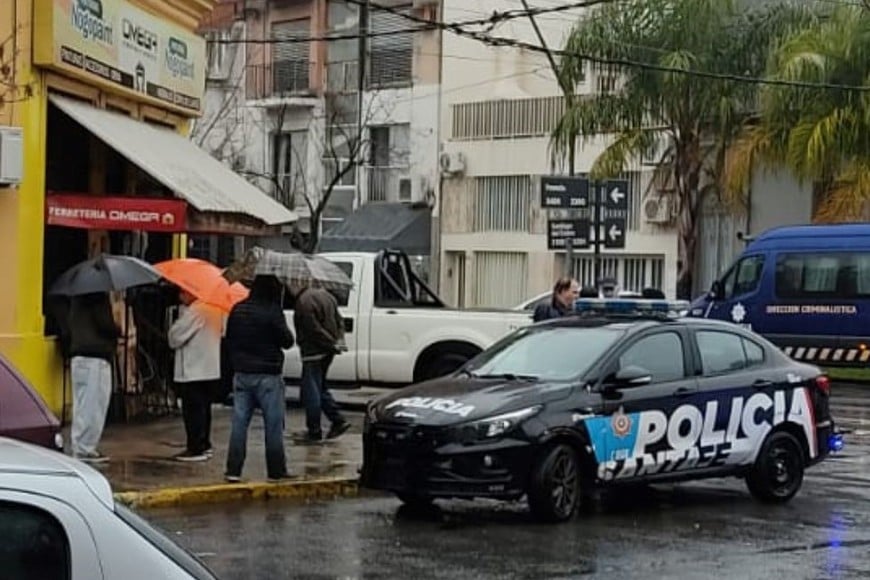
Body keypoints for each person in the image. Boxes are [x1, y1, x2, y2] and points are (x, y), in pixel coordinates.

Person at [224, 275, 294, 482]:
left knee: (239, 423)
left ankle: (233, 470)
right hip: (268, 375)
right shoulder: (272, 311)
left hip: (242, 373)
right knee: (273, 424)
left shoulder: (237, 309)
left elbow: (229, 339)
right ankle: (276, 470)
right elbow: (287, 341)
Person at [167, 290, 225, 462]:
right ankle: (204, 444)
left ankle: (195, 447)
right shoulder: (215, 308)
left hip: (194, 368)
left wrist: (177, 323)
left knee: (193, 410)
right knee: (204, 409)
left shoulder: (197, 310)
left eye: (183, 292)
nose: (180, 296)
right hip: (209, 368)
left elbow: (175, 337)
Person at [68, 292, 120, 463]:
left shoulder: (76, 298)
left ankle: (79, 445)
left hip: (79, 355)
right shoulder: (98, 297)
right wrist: (117, 329)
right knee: (95, 404)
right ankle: (86, 448)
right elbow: (105, 324)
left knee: (82, 404)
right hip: (95, 356)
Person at [294, 284, 350, 443]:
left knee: (311, 391)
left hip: (313, 351)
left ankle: (314, 430)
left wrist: (330, 343)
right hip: (326, 352)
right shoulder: (328, 296)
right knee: (319, 387)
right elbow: (339, 321)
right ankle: (337, 420)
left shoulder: (304, 301)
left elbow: (313, 329)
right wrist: (338, 341)